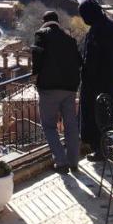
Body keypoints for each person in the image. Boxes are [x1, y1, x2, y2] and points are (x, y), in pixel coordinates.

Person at [31, 10, 82, 172]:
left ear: (44, 22)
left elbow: (37, 58)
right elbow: (79, 61)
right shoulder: (70, 39)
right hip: (70, 88)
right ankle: (74, 162)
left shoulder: (41, 35)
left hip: (49, 88)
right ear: (57, 22)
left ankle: (61, 162)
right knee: (71, 125)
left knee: (49, 126)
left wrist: (36, 76)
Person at [78, 0, 113, 160]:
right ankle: (107, 146)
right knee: (107, 113)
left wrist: (84, 74)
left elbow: (91, 60)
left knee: (94, 114)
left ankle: (100, 150)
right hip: (111, 78)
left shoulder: (96, 31)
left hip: (95, 82)